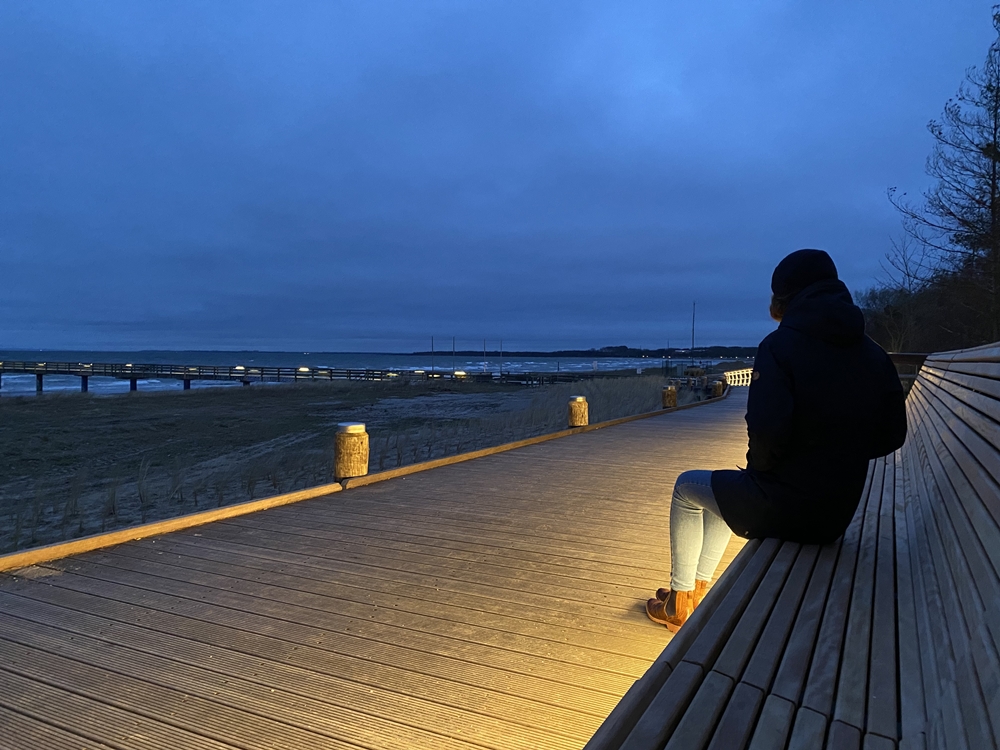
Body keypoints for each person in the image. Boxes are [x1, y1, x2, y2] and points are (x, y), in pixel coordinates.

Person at [646, 249, 907, 632]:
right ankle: (693, 594)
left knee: (686, 488)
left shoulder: (779, 347)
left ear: (784, 300)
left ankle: (679, 602)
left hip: (791, 510)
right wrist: (839, 452)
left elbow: (767, 433)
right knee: (724, 493)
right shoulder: (872, 353)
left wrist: (767, 471)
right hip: (838, 512)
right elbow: (892, 435)